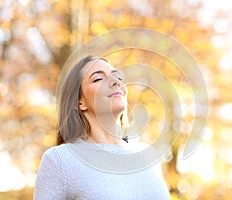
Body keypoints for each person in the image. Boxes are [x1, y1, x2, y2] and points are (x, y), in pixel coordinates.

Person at [33, 55, 170, 200]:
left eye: (117, 77)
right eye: (98, 79)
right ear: (80, 103)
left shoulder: (148, 156)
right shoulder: (59, 160)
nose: (115, 82)